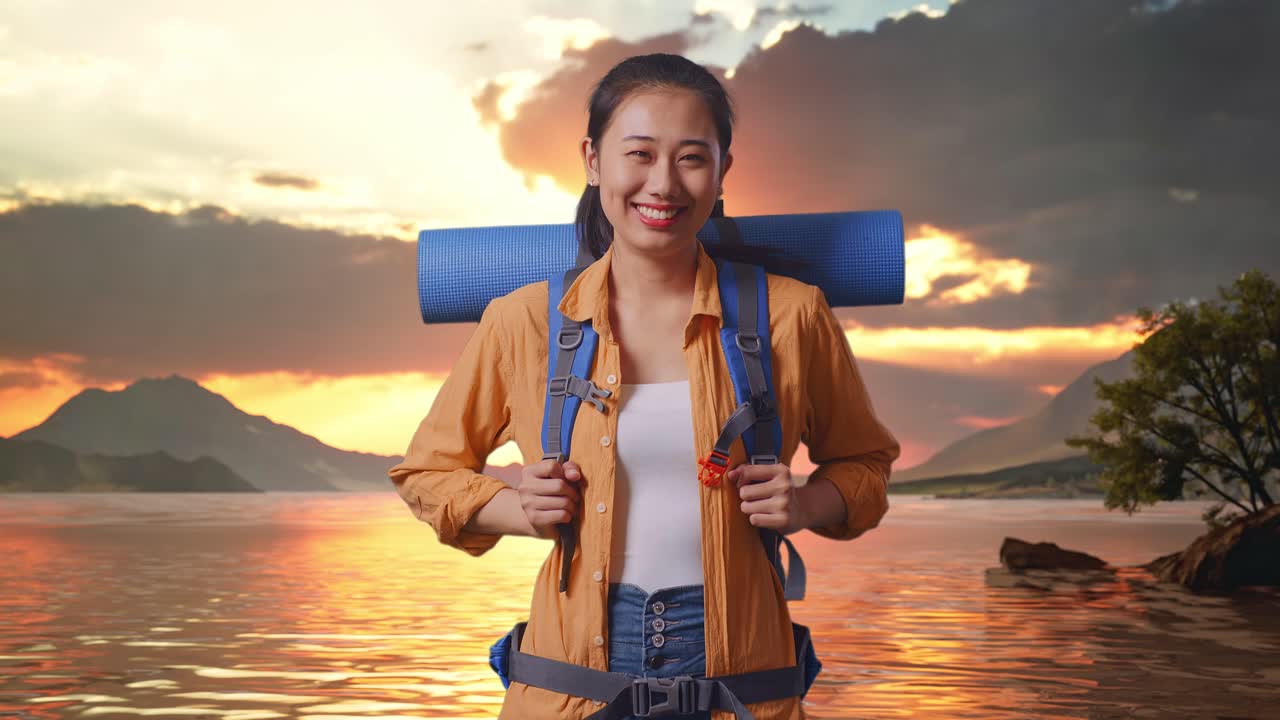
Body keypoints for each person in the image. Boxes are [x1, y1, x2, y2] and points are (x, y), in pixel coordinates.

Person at [388, 53, 900, 720]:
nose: (663, 184)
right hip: (568, 690)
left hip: (743, 694)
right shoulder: (523, 323)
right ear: (594, 161)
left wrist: (806, 506)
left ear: (722, 173)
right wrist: (518, 507)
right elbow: (426, 474)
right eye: (639, 154)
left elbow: (867, 468)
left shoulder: (792, 316)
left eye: (691, 157)